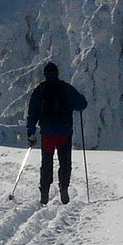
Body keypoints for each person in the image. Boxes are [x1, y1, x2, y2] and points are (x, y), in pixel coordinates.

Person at [25, 62, 88, 205]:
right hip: (64, 133)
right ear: (57, 73)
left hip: (47, 134)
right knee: (65, 162)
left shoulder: (40, 90)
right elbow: (81, 105)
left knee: (46, 163)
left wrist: (31, 132)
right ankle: (64, 187)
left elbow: (32, 112)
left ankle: (45, 192)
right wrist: (82, 97)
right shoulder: (65, 88)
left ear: (45, 75)